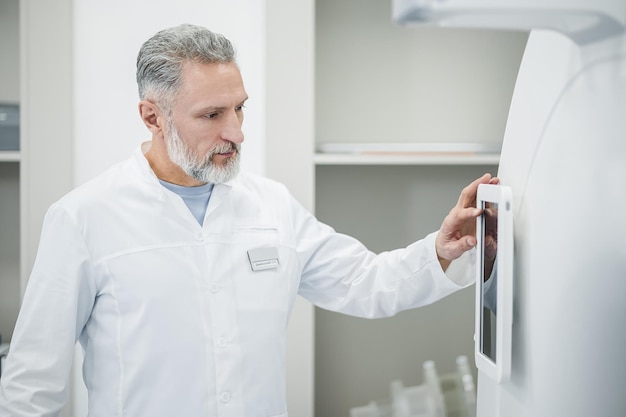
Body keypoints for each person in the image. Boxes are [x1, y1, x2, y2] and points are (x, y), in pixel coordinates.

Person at [0, 24, 498, 417]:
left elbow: (364, 282)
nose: (236, 132)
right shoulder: (84, 217)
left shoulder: (270, 204)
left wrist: (441, 249)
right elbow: (32, 383)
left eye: (239, 108)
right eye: (212, 115)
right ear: (152, 117)